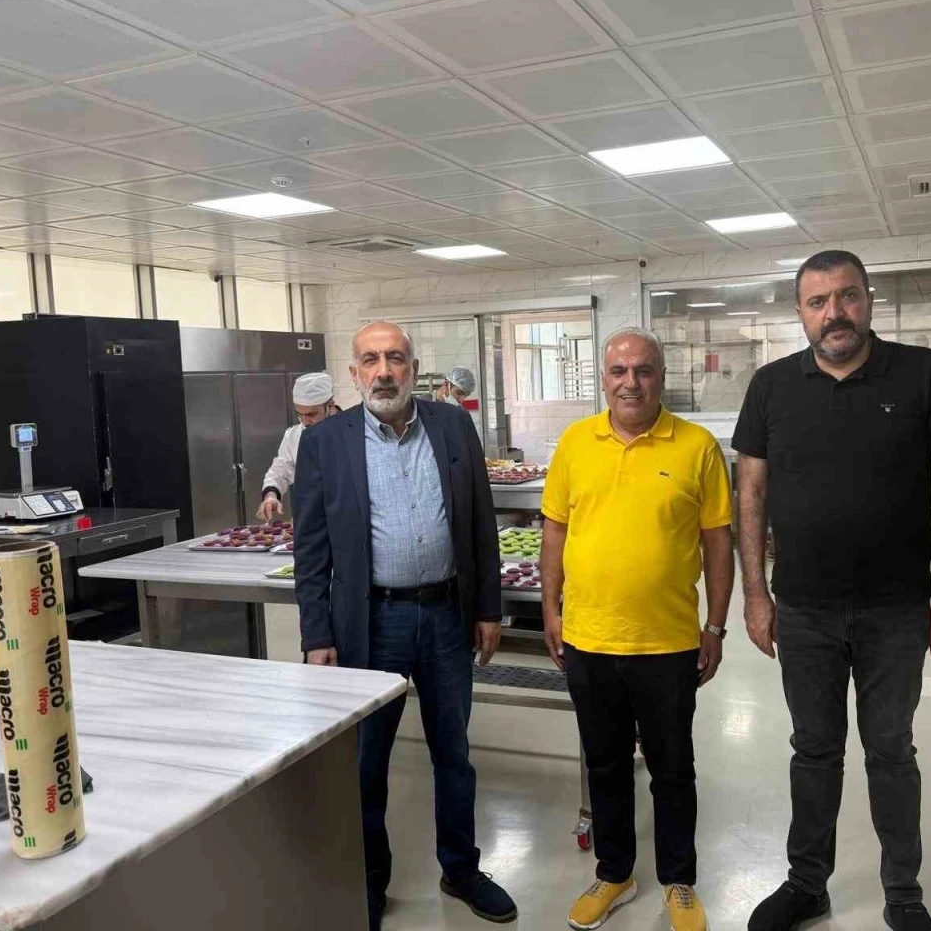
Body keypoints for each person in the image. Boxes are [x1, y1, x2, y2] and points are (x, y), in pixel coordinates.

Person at [733, 250, 931, 931]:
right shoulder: (772, 386)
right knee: (813, 750)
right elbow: (749, 494)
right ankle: (807, 884)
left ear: (868, 299)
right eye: (818, 302)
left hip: (896, 610)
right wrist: (755, 595)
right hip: (804, 610)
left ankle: (903, 891)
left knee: (891, 750)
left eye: (846, 296)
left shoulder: (924, 373)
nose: (834, 313)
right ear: (800, 313)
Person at [292, 322, 516, 931]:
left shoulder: (452, 426)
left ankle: (461, 868)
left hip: (446, 616)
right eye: (371, 360)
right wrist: (318, 636)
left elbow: (480, 523)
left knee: (454, 754)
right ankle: (368, 880)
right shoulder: (326, 443)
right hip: (370, 622)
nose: (384, 371)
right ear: (354, 373)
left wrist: (488, 608)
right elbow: (310, 549)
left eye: (395, 358)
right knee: (366, 762)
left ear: (414, 369)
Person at [540, 327, 735, 931]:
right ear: (604, 378)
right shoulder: (575, 443)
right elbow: (554, 530)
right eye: (619, 371)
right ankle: (615, 872)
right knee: (604, 764)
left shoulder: (697, 447)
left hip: (668, 643)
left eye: (644, 370)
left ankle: (679, 881)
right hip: (590, 639)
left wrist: (716, 625)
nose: (631, 382)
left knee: (673, 768)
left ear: (661, 377)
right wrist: (550, 609)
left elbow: (717, 541)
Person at [258, 372, 338, 521]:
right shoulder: (293, 436)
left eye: (311, 414)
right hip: (309, 520)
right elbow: (280, 470)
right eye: (300, 415)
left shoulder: (350, 432)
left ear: (330, 406)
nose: (305, 422)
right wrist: (271, 495)